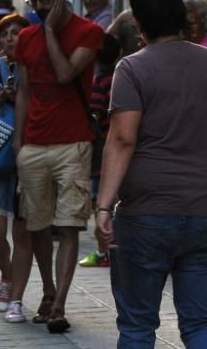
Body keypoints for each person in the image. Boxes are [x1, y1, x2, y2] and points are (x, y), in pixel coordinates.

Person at [93, 0, 207, 348]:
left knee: (138, 326)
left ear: (138, 23)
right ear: (181, 17)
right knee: (203, 323)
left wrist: (104, 205)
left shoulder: (132, 69)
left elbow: (122, 138)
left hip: (146, 211)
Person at [13, 0, 104, 333]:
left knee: (69, 225)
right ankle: (48, 290)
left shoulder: (88, 32)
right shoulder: (24, 38)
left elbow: (66, 73)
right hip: (34, 143)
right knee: (38, 225)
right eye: (34, 1)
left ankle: (60, 304)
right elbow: (23, 90)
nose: (39, 7)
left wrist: (50, 29)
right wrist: (19, 141)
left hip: (73, 142)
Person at [0, 13, 54, 323]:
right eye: (4, 33)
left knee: (24, 234)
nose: (10, 38)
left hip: (27, 158)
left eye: (16, 32)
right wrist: (1, 99)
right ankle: (7, 274)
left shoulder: (37, 69)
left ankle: (15, 298)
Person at [79, 32, 123, 269]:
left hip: (102, 151)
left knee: (101, 202)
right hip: (114, 147)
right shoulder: (118, 77)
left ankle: (104, 251)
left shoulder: (100, 81)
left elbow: (94, 113)